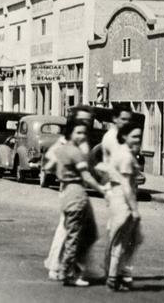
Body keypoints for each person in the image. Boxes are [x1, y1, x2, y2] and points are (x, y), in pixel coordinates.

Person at [43, 116, 107, 287]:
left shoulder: (62, 150)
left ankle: (72, 268)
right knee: (75, 235)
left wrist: (62, 171)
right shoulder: (75, 152)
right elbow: (86, 177)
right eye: (78, 132)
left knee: (87, 233)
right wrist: (103, 190)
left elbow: (48, 166)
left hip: (66, 193)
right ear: (70, 133)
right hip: (76, 194)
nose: (82, 136)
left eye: (84, 133)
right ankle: (68, 271)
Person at [97, 117, 145, 291]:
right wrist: (134, 209)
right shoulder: (125, 155)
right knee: (122, 240)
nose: (137, 140)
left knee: (131, 239)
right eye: (134, 136)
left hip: (119, 198)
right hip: (122, 200)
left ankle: (117, 273)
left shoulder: (125, 153)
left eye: (139, 137)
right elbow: (126, 184)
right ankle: (113, 276)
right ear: (124, 136)